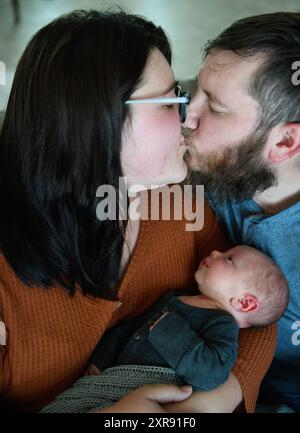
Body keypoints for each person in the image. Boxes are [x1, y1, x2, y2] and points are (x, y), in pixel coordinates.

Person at [0, 9, 275, 413]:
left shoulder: (178, 206)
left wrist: (219, 396)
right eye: (171, 101)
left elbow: (255, 304)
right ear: (95, 120)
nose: (188, 119)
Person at [183, 12, 300, 411]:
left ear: (284, 141)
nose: (186, 117)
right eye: (194, 91)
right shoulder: (202, 170)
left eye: (214, 107)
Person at [40, 245, 288, 413]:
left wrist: (166, 328)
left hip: (145, 391)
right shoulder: (178, 297)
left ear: (244, 303)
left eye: (229, 259)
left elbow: (212, 373)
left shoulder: (221, 324)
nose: (215, 251)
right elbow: (128, 331)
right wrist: (100, 361)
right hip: (114, 381)